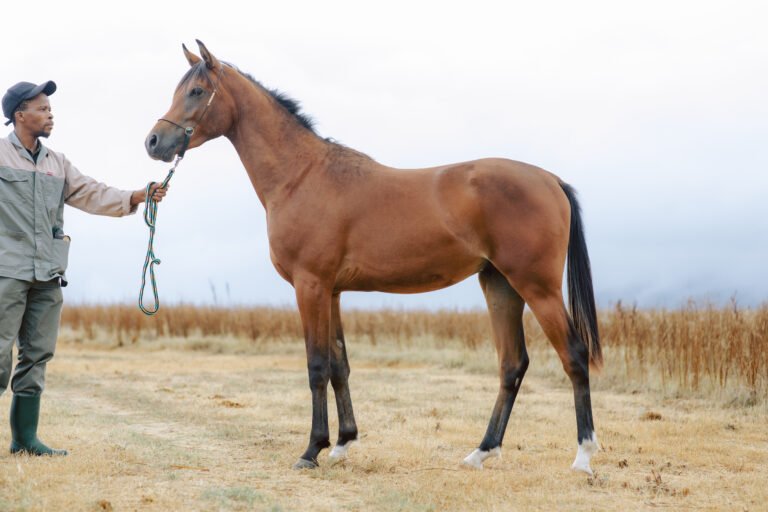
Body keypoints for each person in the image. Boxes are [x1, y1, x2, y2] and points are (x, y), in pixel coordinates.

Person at [0, 80, 167, 456]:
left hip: (47, 274)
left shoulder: (56, 163)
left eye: (50, 108)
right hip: (5, 272)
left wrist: (136, 196)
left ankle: (25, 441)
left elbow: (90, 192)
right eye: (42, 108)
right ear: (19, 115)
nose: (50, 114)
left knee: (37, 355)